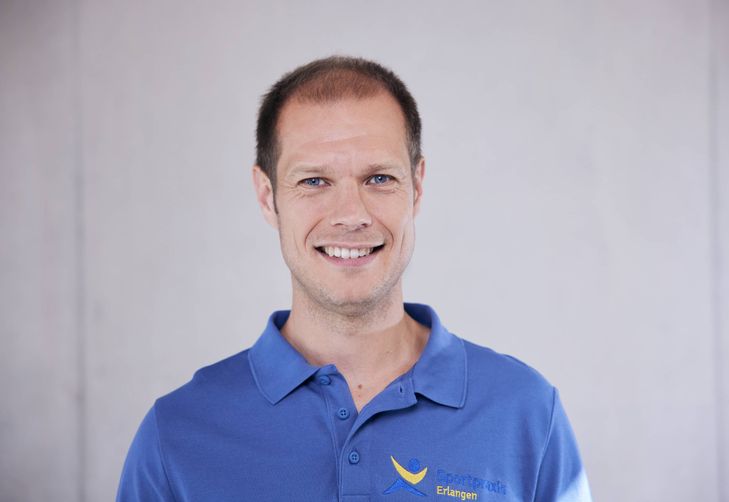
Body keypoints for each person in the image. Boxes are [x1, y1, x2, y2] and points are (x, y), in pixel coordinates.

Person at [117, 56, 592, 501]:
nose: (351, 214)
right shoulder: (176, 434)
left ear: (417, 187)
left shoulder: (524, 412)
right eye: (314, 181)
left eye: (379, 178)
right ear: (267, 196)